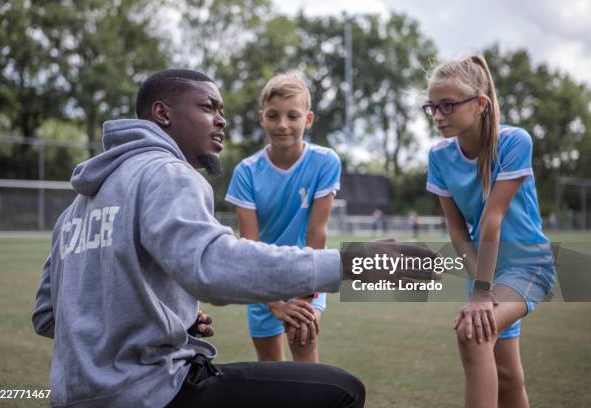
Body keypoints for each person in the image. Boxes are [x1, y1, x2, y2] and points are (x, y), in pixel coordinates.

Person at [32, 69, 436, 408]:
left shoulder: (76, 208)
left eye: (221, 110)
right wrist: (352, 264)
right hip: (151, 393)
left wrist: (173, 318)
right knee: (342, 391)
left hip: (75, 396)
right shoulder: (167, 174)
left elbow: (49, 316)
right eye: (208, 107)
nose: (221, 120)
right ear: (162, 114)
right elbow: (213, 267)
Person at [424, 55, 555, 408]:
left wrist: (483, 294)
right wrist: (480, 283)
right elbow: (456, 230)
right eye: (432, 107)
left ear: (480, 103)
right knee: (508, 375)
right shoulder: (438, 156)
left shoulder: (514, 142)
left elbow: (491, 219)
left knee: (473, 334)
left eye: (447, 105)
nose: (437, 115)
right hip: (480, 267)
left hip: (528, 264)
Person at [225, 73, 339, 363]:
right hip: (261, 278)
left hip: (306, 275)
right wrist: (274, 303)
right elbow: (249, 245)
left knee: (306, 368)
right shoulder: (246, 172)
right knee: (272, 375)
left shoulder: (325, 162)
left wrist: (304, 299)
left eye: (293, 116)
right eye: (273, 116)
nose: (283, 125)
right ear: (262, 119)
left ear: (308, 119)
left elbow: (317, 234)